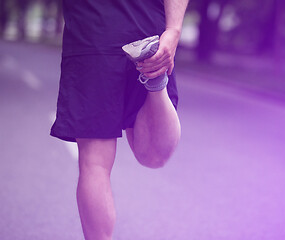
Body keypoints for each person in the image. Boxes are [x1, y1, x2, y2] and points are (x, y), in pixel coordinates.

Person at [50, 0, 189, 239]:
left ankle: (153, 77)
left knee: (95, 163)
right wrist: (174, 29)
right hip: (149, 25)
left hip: (93, 30)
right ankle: (154, 79)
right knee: (153, 155)